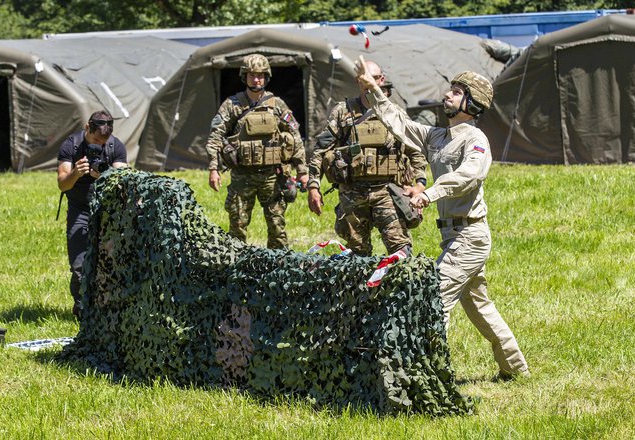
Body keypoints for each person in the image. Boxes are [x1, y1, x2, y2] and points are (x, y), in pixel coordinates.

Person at [356, 59, 530, 379]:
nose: (447, 95)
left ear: (472, 103)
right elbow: (399, 122)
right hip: (454, 236)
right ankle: (516, 370)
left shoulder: (474, 140)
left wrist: (428, 194)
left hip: (471, 236)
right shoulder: (437, 135)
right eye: (450, 89)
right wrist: (374, 90)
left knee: (433, 301)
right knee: (480, 308)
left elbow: (468, 175)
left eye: (456, 92)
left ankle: (426, 377)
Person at [307, 60, 428, 256]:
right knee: (357, 251)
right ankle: (362, 285)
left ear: (382, 80)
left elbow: (415, 150)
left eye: (375, 77)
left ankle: (399, 285)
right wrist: (313, 186)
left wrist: (419, 185)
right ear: (358, 81)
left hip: (388, 191)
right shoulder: (342, 112)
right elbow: (321, 150)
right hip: (352, 192)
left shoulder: (395, 113)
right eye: (365, 78)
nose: (370, 82)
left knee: (400, 248)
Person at [205, 54, 308, 249]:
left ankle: (279, 266)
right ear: (244, 77)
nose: (256, 79)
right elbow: (215, 136)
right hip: (242, 176)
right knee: (237, 225)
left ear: (267, 77)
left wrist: (302, 172)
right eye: (252, 75)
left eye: (260, 75)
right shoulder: (232, 105)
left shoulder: (277, 105)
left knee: (277, 227)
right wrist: (213, 168)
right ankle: (234, 265)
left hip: (273, 176)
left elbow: (295, 137)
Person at [57, 110, 128, 318]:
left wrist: (106, 176)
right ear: (87, 128)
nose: (100, 144)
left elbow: (123, 182)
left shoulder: (116, 146)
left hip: (107, 210)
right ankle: (82, 309)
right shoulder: (71, 145)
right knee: (79, 265)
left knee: (109, 263)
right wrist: (76, 173)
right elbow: (62, 184)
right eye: (96, 140)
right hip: (79, 208)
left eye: (103, 142)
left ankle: (105, 311)